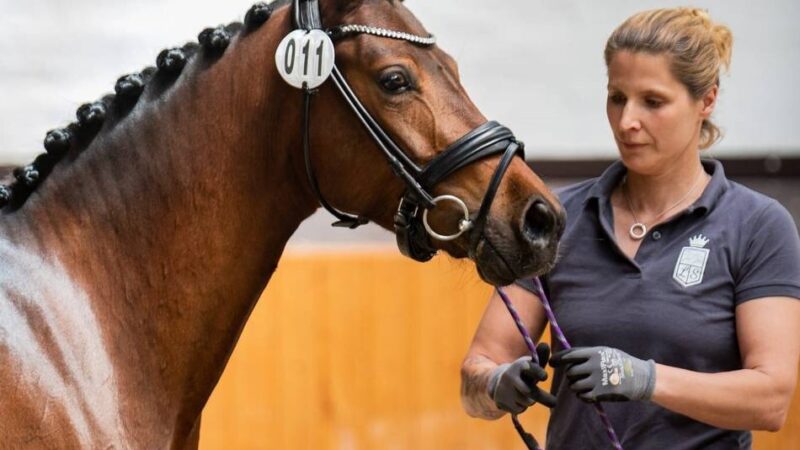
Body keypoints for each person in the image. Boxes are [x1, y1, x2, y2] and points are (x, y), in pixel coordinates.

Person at [460, 7, 800, 449]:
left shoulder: (757, 225)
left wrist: (643, 378)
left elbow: (771, 400)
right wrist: (496, 384)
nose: (626, 122)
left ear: (707, 100)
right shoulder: (559, 217)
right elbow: (477, 372)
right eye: (617, 97)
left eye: (653, 102)